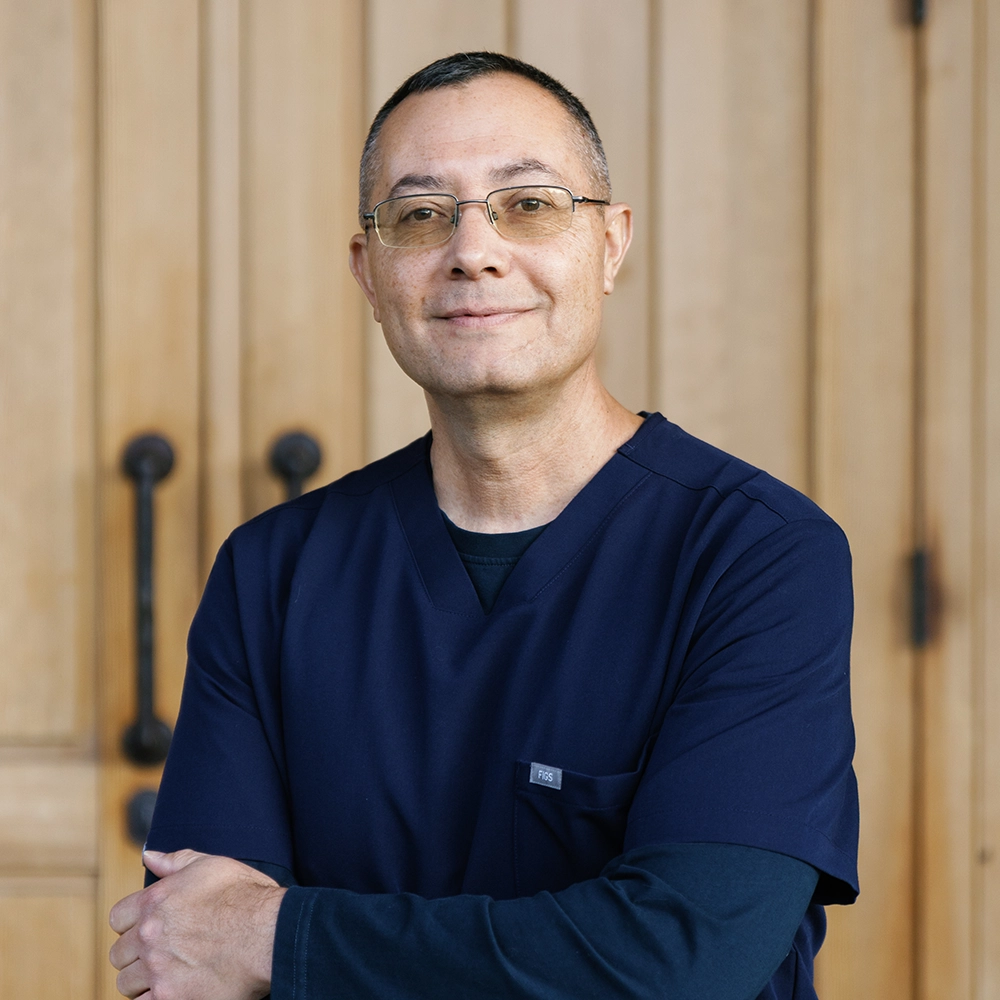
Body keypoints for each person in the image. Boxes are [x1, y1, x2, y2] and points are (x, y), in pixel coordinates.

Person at [109, 52, 858, 1000]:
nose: (474, 249)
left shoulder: (755, 557)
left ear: (612, 244)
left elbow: (682, 961)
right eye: (421, 215)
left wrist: (280, 938)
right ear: (369, 270)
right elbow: (189, 954)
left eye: (530, 204)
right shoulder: (273, 573)